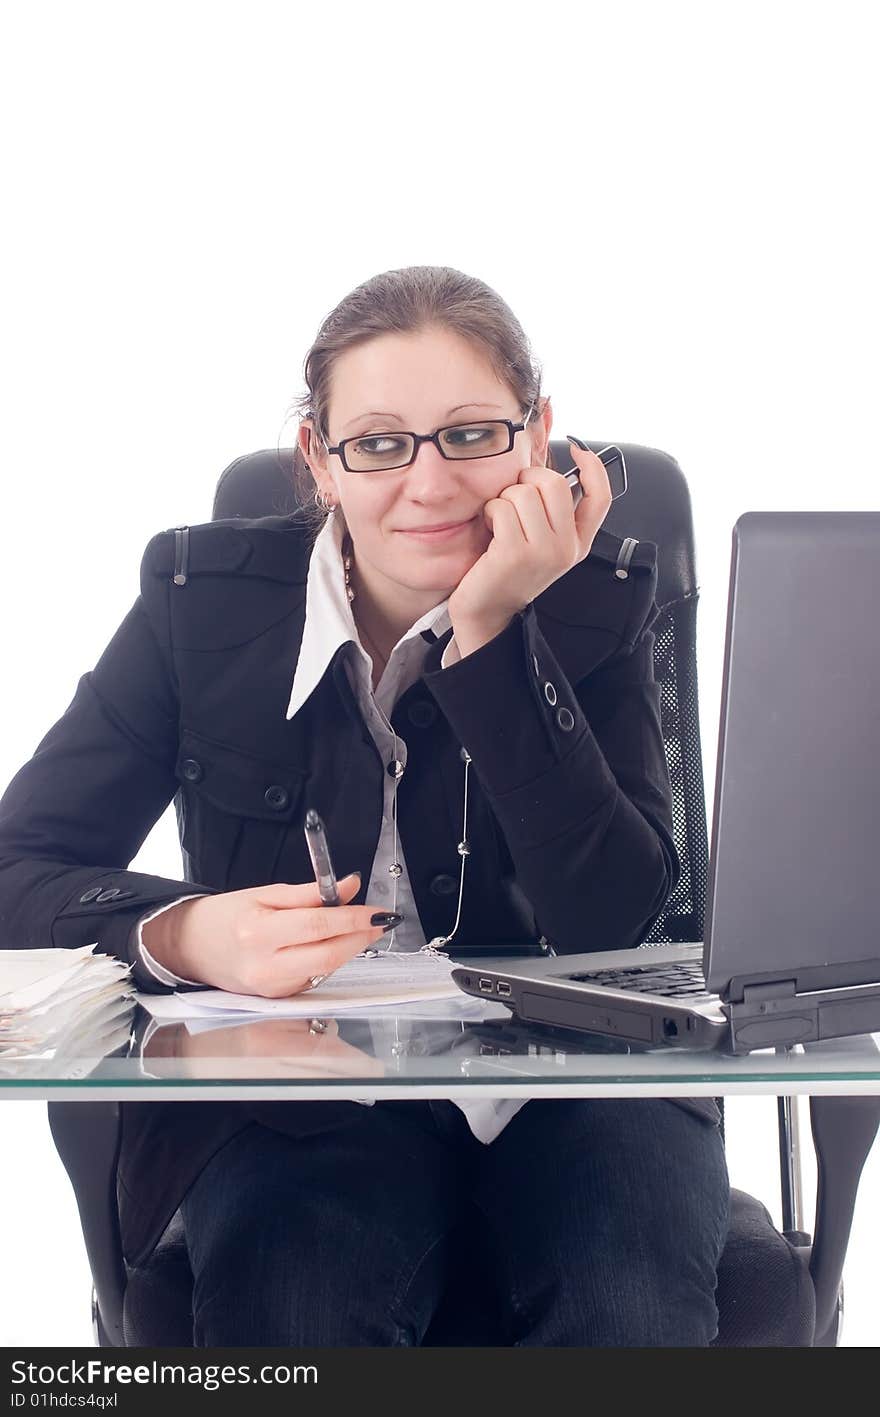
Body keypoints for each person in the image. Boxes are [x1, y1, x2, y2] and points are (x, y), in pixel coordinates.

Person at [0, 264, 730, 1346]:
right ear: (318, 461)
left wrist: (488, 634)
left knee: (623, 1302)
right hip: (301, 1085)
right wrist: (187, 930)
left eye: (472, 434)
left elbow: (617, 918)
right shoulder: (195, 604)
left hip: (586, 1087)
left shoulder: (602, 600)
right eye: (380, 443)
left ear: (538, 438)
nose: (428, 486)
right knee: (294, 1301)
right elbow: (21, 866)